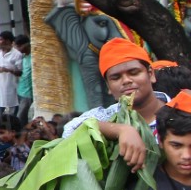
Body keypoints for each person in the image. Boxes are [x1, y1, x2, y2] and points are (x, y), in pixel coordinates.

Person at [62, 39, 164, 173]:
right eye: (116, 78)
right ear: (108, 86)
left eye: (134, 72)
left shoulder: (180, 109)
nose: (126, 81)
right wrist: (120, 130)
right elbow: (69, 130)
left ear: (150, 74)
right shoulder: (106, 116)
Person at [0, 32, 23, 119]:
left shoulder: (16, 54)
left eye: (1, 40)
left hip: (11, 90)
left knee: (11, 117)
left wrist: (7, 70)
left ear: (7, 41)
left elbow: (20, 72)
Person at [15, 36, 33, 122]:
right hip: (20, 91)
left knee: (20, 117)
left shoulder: (34, 57)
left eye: (19, 46)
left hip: (28, 94)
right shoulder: (23, 57)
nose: (18, 49)